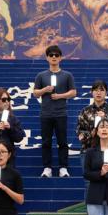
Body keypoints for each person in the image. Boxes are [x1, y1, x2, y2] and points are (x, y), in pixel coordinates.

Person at [33, 45, 76, 178]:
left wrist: (60, 96)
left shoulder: (67, 75)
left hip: (60, 113)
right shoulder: (41, 75)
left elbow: (73, 92)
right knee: (46, 141)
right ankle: (47, 168)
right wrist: (44, 90)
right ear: (47, 57)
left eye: (56, 55)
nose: (54, 57)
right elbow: (35, 93)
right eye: (51, 55)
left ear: (60, 58)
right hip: (45, 113)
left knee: (62, 141)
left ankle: (63, 167)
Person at [76, 80, 108, 183]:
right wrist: (92, 133)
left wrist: (105, 120)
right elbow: (79, 132)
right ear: (92, 92)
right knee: (89, 183)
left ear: (106, 93)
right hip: (88, 151)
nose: (98, 93)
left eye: (101, 90)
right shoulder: (85, 111)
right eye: (96, 90)